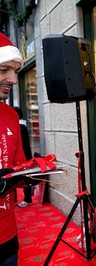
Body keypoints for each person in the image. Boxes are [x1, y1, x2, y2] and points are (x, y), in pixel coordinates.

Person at [0, 32, 27, 266]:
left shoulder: (10, 115)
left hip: (8, 235)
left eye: (15, 71)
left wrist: (30, 175)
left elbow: (17, 167)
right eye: (3, 70)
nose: (14, 80)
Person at [12, 106, 33, 208]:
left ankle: (27, 199)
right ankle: (15, 199)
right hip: (22, 157)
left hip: (22, 158)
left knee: (23, 179)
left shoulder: (20, 127)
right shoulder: (20, 126)